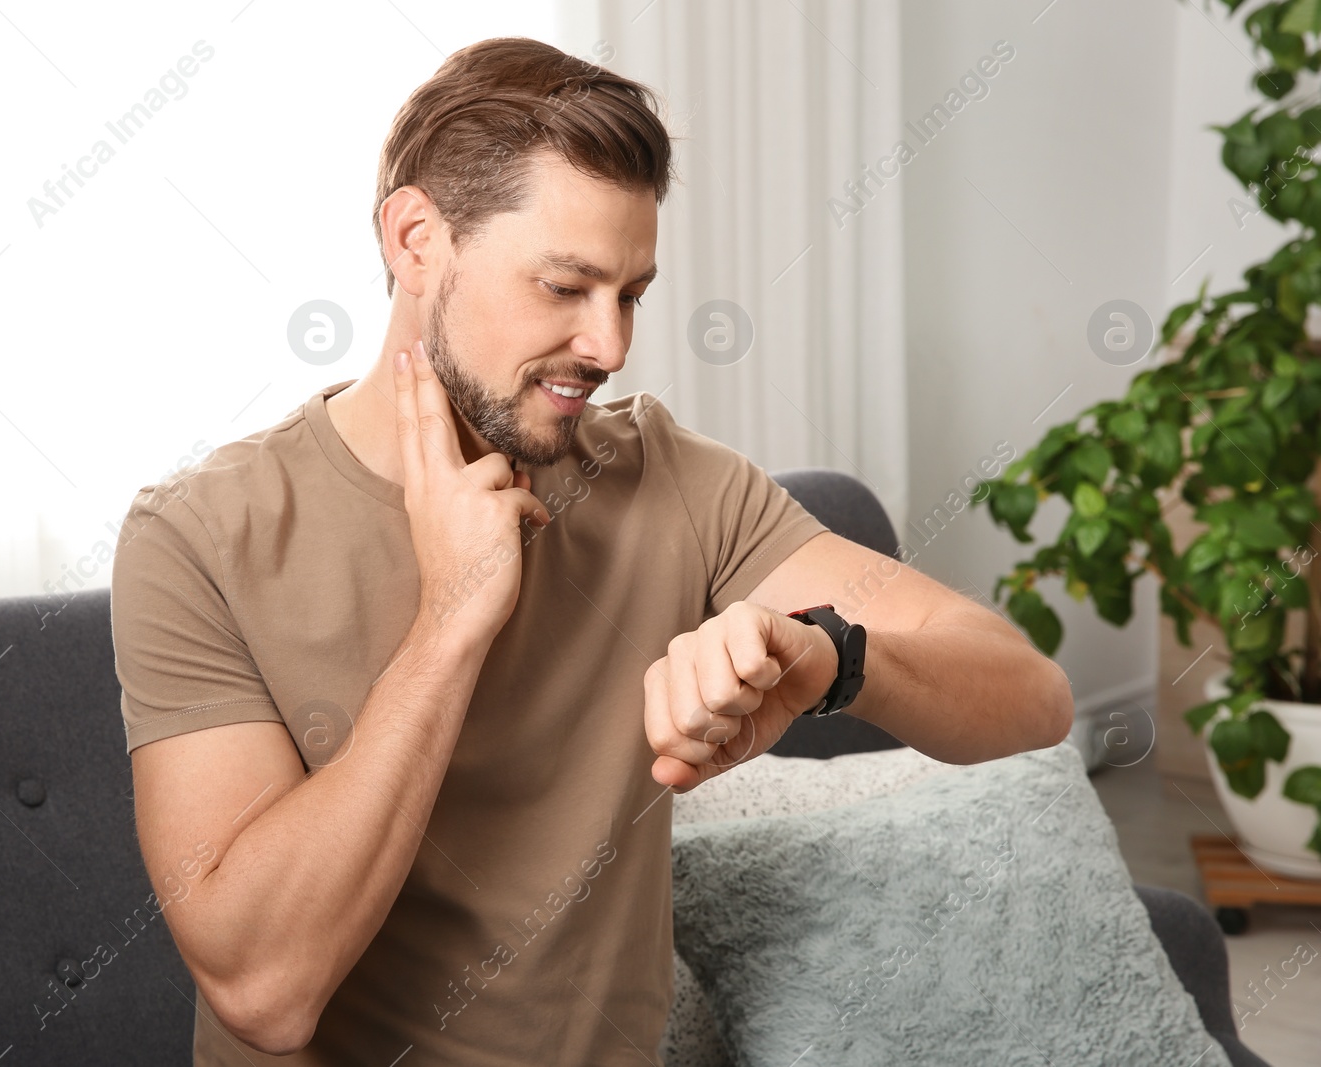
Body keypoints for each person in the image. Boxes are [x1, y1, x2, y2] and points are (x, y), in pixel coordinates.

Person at [110, 36, 1073, 1066]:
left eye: (631, 293)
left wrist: (823, 657)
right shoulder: (200, 535)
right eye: (565, 286)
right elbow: (265, 991)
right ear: (415, 237)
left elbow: (1030, 699)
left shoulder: (664, 476)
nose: (609, 346)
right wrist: (449, 621)